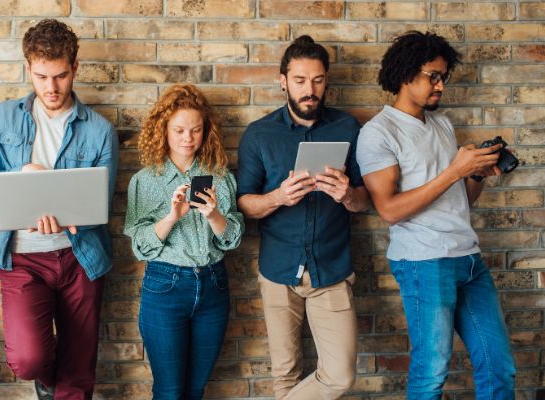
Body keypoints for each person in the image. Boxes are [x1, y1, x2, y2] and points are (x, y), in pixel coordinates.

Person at [356, 31, 515, 400]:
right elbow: (389, 210)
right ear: (405, 75)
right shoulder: (378, 133)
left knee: (498, 366)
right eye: (433, 76)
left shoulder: (441, 124)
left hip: (468, 259)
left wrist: (475, 174)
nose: (441, 85)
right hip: (424, 263)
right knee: (431, 373)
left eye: (444, 76)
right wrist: (455, 171)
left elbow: (459, 202)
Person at [0, 19, 119, 400]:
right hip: (22, 258)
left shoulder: (99, 130)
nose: (51, 88)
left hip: (79, 256)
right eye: (41, 77)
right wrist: (22, 174)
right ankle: (46, 378)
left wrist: (67, 213)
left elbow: (101, 201)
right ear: (28, 69)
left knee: (79, 372)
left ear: (75, 68)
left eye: (60, 76)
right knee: (29, 360)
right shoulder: (3, 117)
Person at [236, 35, 369, 400]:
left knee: (339, 376)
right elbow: (244, 204)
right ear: (283, 81)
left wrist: (347, 195)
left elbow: (365, 201)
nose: (309, 90)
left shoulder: (348, 128)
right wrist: (278, 197)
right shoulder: (259, 134)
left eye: (317, 80)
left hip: (331, 268)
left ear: (326, 80)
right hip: (278, 271)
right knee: (285, 377)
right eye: (299, 80)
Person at [124, 84, 244, 399]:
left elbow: (232, 240)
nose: (187, 139)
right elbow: (140, 247)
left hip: (213, 286)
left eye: (195, 130)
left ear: (206, 132)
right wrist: (171, 217)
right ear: (162, 130)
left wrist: (214, 214)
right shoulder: (145, 181)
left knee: (194, 390)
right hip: (165, 287)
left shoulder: (220, 177)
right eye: (178, 130)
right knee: (169, 391)